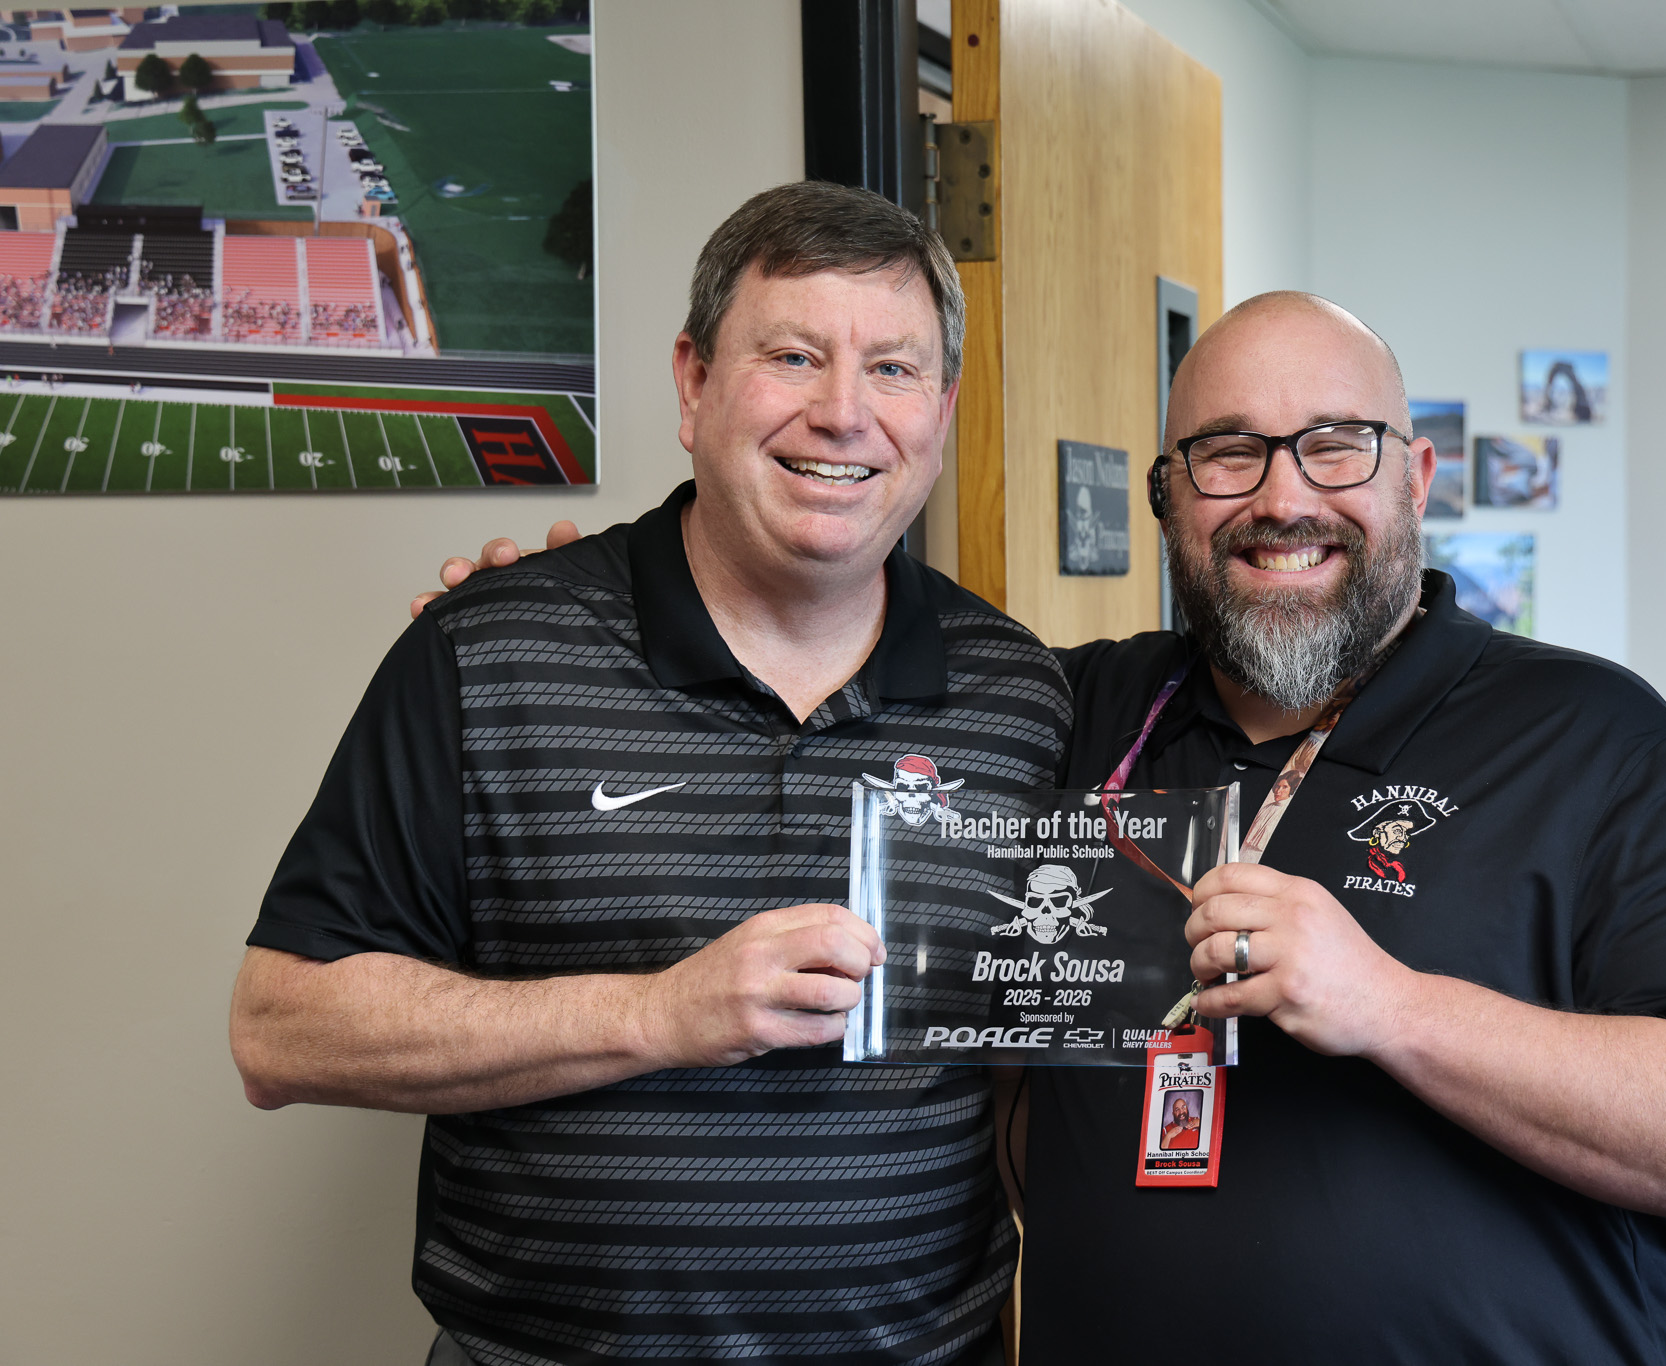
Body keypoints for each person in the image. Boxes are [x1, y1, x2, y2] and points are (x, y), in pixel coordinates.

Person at [420, 292, 1666, 1363]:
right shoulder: (1066, 708)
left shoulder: (1596, 738)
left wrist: (1395, 1006)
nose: (1283, 497)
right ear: (1168, 499)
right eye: (1225, 455)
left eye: (1335, 446)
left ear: (1415, 477)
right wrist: (576, 613)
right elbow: (801, 686)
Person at [230, 182, 1070, 1366]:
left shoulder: (1022, 695)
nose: (843, 414)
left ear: (940, 407)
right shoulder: (488, 651)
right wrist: (655, 1012)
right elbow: (281, 1029)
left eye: (891, 369)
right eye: (791, 355)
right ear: (692, 381)